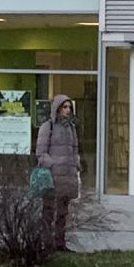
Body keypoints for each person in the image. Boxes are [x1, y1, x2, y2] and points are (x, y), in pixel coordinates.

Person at [35, 94, 81, 251]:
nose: (67, 110)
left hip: (68, 176)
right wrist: (52, 165)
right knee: (48, 211)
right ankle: (46, 243)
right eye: (64, 107)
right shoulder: (48, 127)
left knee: (63, 212)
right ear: (57, 108)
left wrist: (75, 165)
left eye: (69, 107)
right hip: (52, 177)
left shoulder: (71, 128)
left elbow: (75, 150)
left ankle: (60, 243)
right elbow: (41, 152)